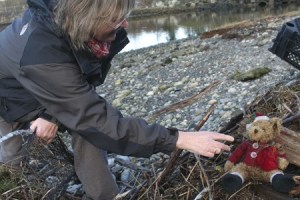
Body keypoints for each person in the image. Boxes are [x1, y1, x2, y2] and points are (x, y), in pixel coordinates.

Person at [0, 0, 234, 199]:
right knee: (11, 160)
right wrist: (179, 139)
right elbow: (95, 117)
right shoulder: (42, 52)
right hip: (10, 98)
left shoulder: (88, 31)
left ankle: (104, 195)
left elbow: (89, 81)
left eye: (124, 16)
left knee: (91, 133)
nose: (125, 24)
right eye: (115, 19)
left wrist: (51, 114)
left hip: (56, 85)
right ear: (89, 18)